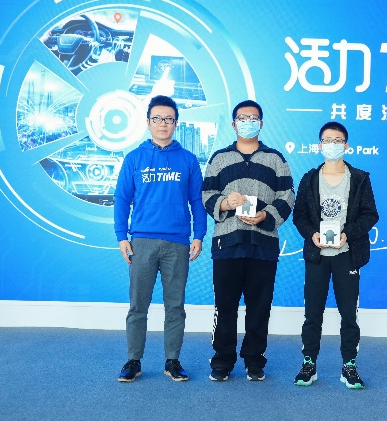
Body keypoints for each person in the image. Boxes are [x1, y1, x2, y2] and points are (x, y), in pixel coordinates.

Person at [114, 95, 207, 382]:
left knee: (175, 306)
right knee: (137, 305)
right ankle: (133, 360)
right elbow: (122, 199)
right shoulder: (134, 158)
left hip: (178, 242)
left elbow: (197, 201)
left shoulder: (188, 160)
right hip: (141, 241)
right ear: (148, 122)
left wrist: (199, 235)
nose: (163, 123)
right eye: (157, 118)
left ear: (176, 123)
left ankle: (172, 361)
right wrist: (121, 236)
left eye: (168, 119)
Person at [202, 100, 295, 381]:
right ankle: (222, 361)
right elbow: (206, 195)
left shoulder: (276, 159)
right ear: (233, 124)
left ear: (261, 124)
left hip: (263, 244)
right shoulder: (219, 158)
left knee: (260, 307)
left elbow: (288, 196)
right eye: (242, 118)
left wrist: (266, 216)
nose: (248, 122)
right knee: (225, 306)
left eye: (253, 118)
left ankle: (255, 360)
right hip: (226, 244)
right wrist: (225, 203)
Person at [292, 121, 379, 389]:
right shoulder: (309, 178)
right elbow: (299, 216)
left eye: (338, 140)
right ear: (319, 146)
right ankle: (309, 364)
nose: (332, 145)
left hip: (347, 254)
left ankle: (349, 365)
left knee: (348, 314)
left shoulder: (360, 178)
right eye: (327, 140)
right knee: (312, 313)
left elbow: (370, 215)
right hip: (317, 255)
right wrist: (311, 234)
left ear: (346, 146)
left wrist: (348, 234)